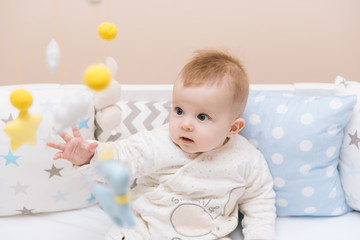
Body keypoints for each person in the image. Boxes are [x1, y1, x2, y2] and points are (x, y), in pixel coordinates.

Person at [47, 49, 276, 240]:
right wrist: (90, 157)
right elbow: (124, 156)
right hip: (145, 228)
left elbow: (260, 202)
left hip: (206, 234)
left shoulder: (247, 159)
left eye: (202, 117)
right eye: (179, 110)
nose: (185, 124)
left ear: (233, 128)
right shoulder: (158, 142)